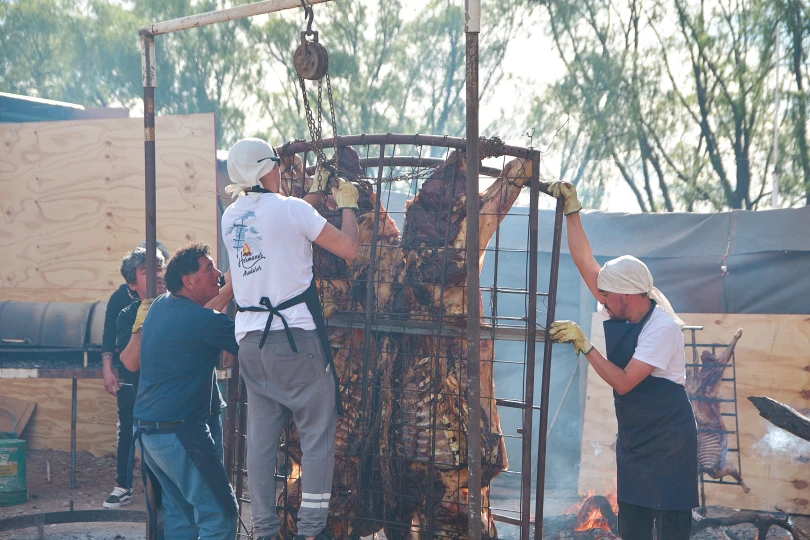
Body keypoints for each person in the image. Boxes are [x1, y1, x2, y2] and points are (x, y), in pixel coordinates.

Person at [221, 138, 360, 540]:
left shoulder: (232, 217)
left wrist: (312, 195)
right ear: (268, 169)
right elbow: (349, 248)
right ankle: (310, 531)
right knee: (317, 433)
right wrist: (347, 204)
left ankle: (264, 530)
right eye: (277, 165)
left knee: (261, 442)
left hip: (251, 343)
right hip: (295, 340)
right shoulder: (293, 210)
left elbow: (275, 226)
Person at [546, 182, 698, 540]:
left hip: (671, 441)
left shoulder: (662, 328)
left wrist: (585, 345)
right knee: (634, 529)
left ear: (629, 296)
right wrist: (572, 212)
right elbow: (585, 261)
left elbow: (626, 382)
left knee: (672, 530)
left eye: (607, 295)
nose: (601, 300)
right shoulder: (621, 306)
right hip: (635, 440)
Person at [129, 243, 238, 540]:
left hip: (149, 435)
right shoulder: (205, 321)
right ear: (189, 281)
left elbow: (198, 320)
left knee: (183, 518)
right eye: (209, 268)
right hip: (181, 435)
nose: (218, 273)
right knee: (221, 515)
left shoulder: (162, 306)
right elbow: (252, 347)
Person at [101, 246, 165, 509]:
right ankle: (124, 486)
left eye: (160, 267)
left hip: (163, 386)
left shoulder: (175, 303)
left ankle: (161, 492)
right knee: (128, 429)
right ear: (131, 282)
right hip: (132, 379)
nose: (158, 274)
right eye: (148, 271)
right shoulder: (124, 307)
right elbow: (111, 338)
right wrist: (107, 368)